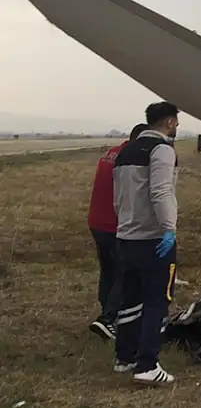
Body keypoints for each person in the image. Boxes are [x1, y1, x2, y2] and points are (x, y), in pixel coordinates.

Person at [112, 101, 181, 385]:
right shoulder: (162, 149)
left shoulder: (125, 152)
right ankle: (147, 365)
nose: (177, 126)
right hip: (153, 240)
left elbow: (118, 197)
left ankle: (124, 358)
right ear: (168, 122)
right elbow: (162, 190)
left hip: (126, 237)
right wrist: (169, 229)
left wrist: (124, 224)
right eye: (176, 121)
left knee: (129, 300)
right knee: (156, 302)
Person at [87, 123, 147, 340]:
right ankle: (108, 319)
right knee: (125, 272)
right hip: (115, 225)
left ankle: (106, 311)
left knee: (108, 270)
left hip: (96, 221)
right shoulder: (131, 158)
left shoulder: (110, 153)